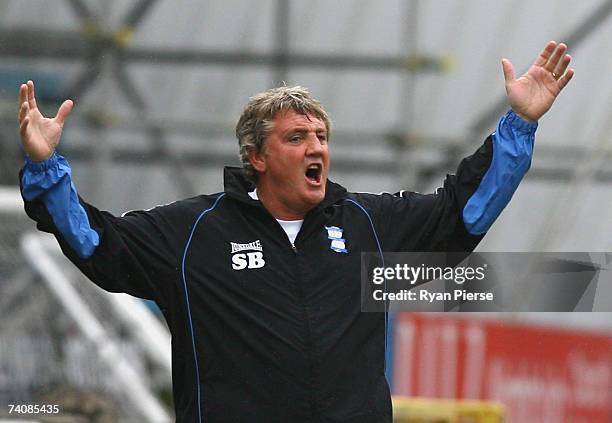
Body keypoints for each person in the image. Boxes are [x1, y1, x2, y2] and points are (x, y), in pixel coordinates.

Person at [18, 41, 573, 422]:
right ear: (256, 156)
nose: (316, 147)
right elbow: (97, 243)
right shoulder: (193, 234)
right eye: (297, 137)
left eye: (321, 136)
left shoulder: (366, 225)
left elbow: (461, 214)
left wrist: (520, 123)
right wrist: (47, 170)